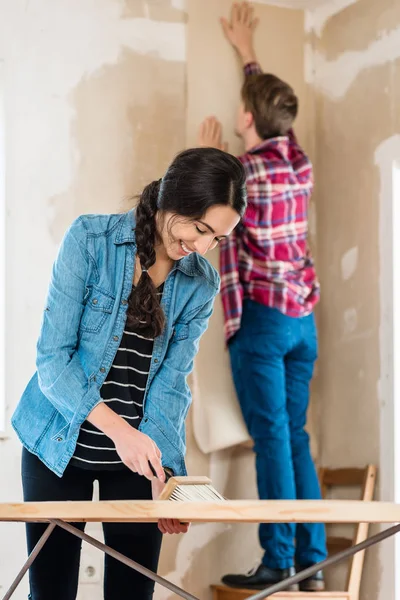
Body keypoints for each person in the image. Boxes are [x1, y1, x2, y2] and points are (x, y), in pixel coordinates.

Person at [11, 147, 247, 600]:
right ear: (172, 198)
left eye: (217, 238)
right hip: (55, 447)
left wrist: (170, 479)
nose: (201, 248)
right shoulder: (89, 240)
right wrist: (121, 432)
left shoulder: (201, 283)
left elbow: (171, 384)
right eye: (200, 229)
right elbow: (53, 363)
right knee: (51, 593)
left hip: (136, 459)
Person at [198, 2, 327, 592]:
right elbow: (274, 113)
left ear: (246, 118)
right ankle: (314, 563)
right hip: (304, 320)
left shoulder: (241, 173)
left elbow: (204, 219)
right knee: (294, 435)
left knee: (273, 436)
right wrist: (249, 55)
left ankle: (277, 560)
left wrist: (205, 154)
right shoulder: (296, 161)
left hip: (265, 321)